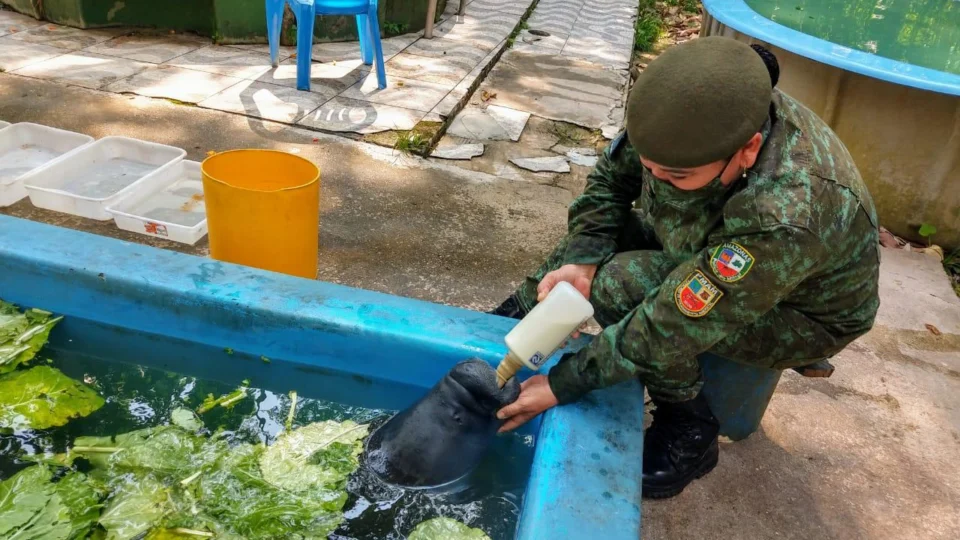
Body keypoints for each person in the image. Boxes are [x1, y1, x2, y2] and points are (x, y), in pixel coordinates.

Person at [492, 37, 881, 499]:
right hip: (707, 240)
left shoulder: (786, 211)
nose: (655, 179)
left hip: (798, 312)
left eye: (675, 177)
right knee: (592, 251)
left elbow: (673, 322)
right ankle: (508, 319)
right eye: (652, 168)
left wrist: (564, 383)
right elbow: (609, 182)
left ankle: (689, 426)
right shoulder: (677, 112)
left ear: (749, 150)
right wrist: (582, 257)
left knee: (619, 287)